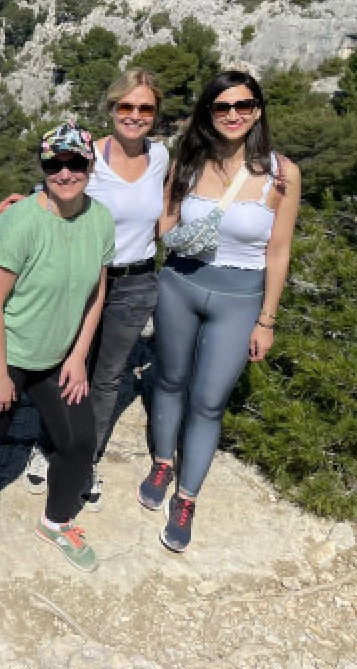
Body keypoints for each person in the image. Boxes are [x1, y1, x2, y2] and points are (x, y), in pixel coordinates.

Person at [138, 70, 300, 552]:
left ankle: (187, 497)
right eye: (222, 106)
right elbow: (163, 222)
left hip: (240, 298)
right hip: (180, 284)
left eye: (244, 105)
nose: (233, 115)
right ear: (208, 112)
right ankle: (163, 460)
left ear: (258, 110)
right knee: (168, 380)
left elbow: (279, 252)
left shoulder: (281, 174)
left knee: (209, 400)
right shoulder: (189, 161)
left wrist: (267, 320)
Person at [0, 124, 113, 574]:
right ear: (43, 168)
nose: (65, 172)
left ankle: (56, 522)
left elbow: (97, 293)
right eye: (55, 164)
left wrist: (78, 358)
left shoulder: (100, 220)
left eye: (75, 163)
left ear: (89, 166)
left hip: (57, 358)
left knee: (79, 441)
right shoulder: (21, 222)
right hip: (8, 353)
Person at [23, 70, 168, 512]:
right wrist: (21, 206)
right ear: (112, 109)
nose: (135, 116)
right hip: (84, 277)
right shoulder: (91, 156)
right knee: (65, 364)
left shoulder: (161, 157)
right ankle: (48, 445)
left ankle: (85, 458)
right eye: (126, 106)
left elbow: (169, 214)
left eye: (145, 108)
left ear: (156, 114)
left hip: (138, 280)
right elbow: (58, 189)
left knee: (106, 377)